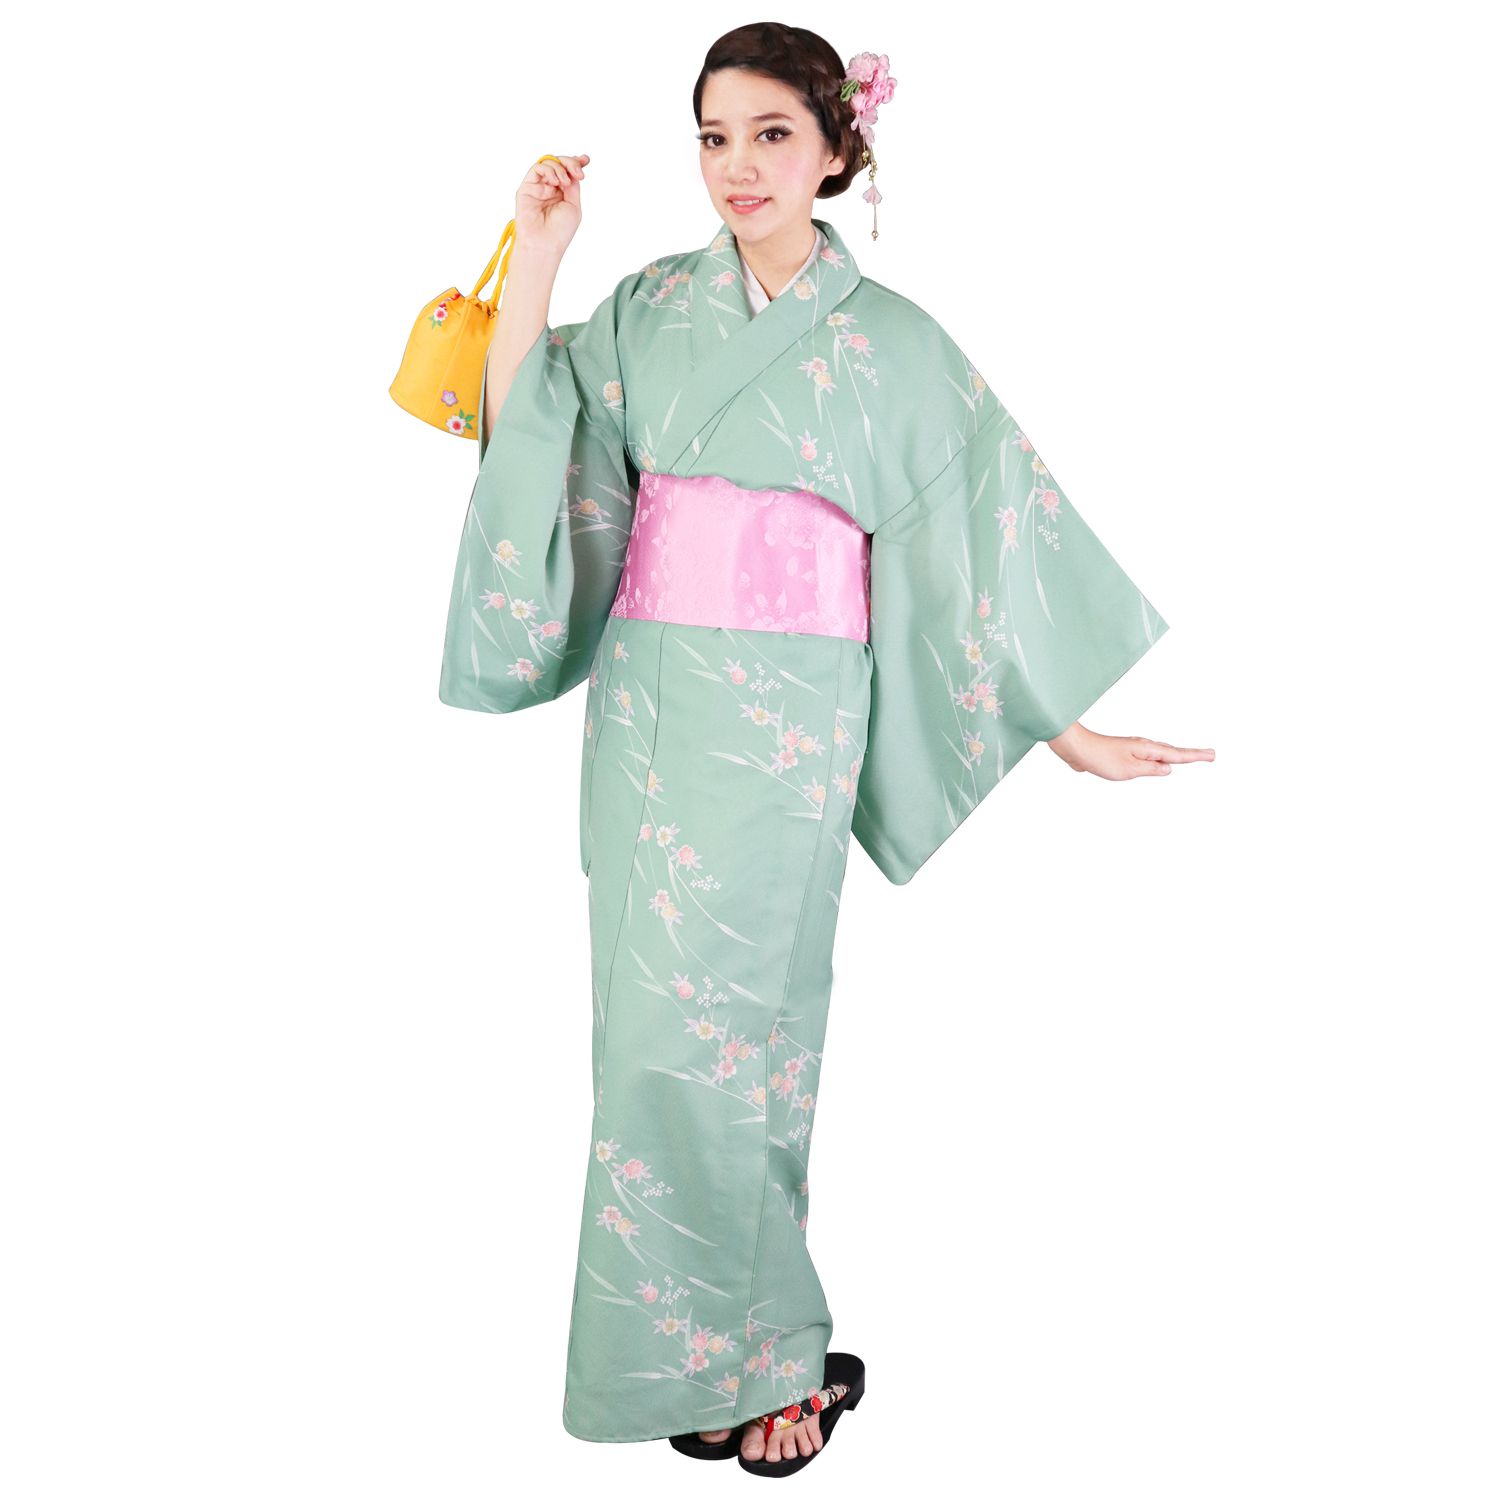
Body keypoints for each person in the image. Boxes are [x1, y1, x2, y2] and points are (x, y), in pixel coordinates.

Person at [437, 21, 1213, 1478]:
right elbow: (534, 420)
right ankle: (683, 1358)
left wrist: (1065, 729)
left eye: (772, 135)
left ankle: (775, 1354)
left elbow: (968, 546)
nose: (738, 167)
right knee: (645, 1043)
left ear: (838, 147)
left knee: (749, 1039)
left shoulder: (897, 346)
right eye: (714, 138)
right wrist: (540, 254)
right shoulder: (651, 306)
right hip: (649, 711)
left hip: (790, 723)